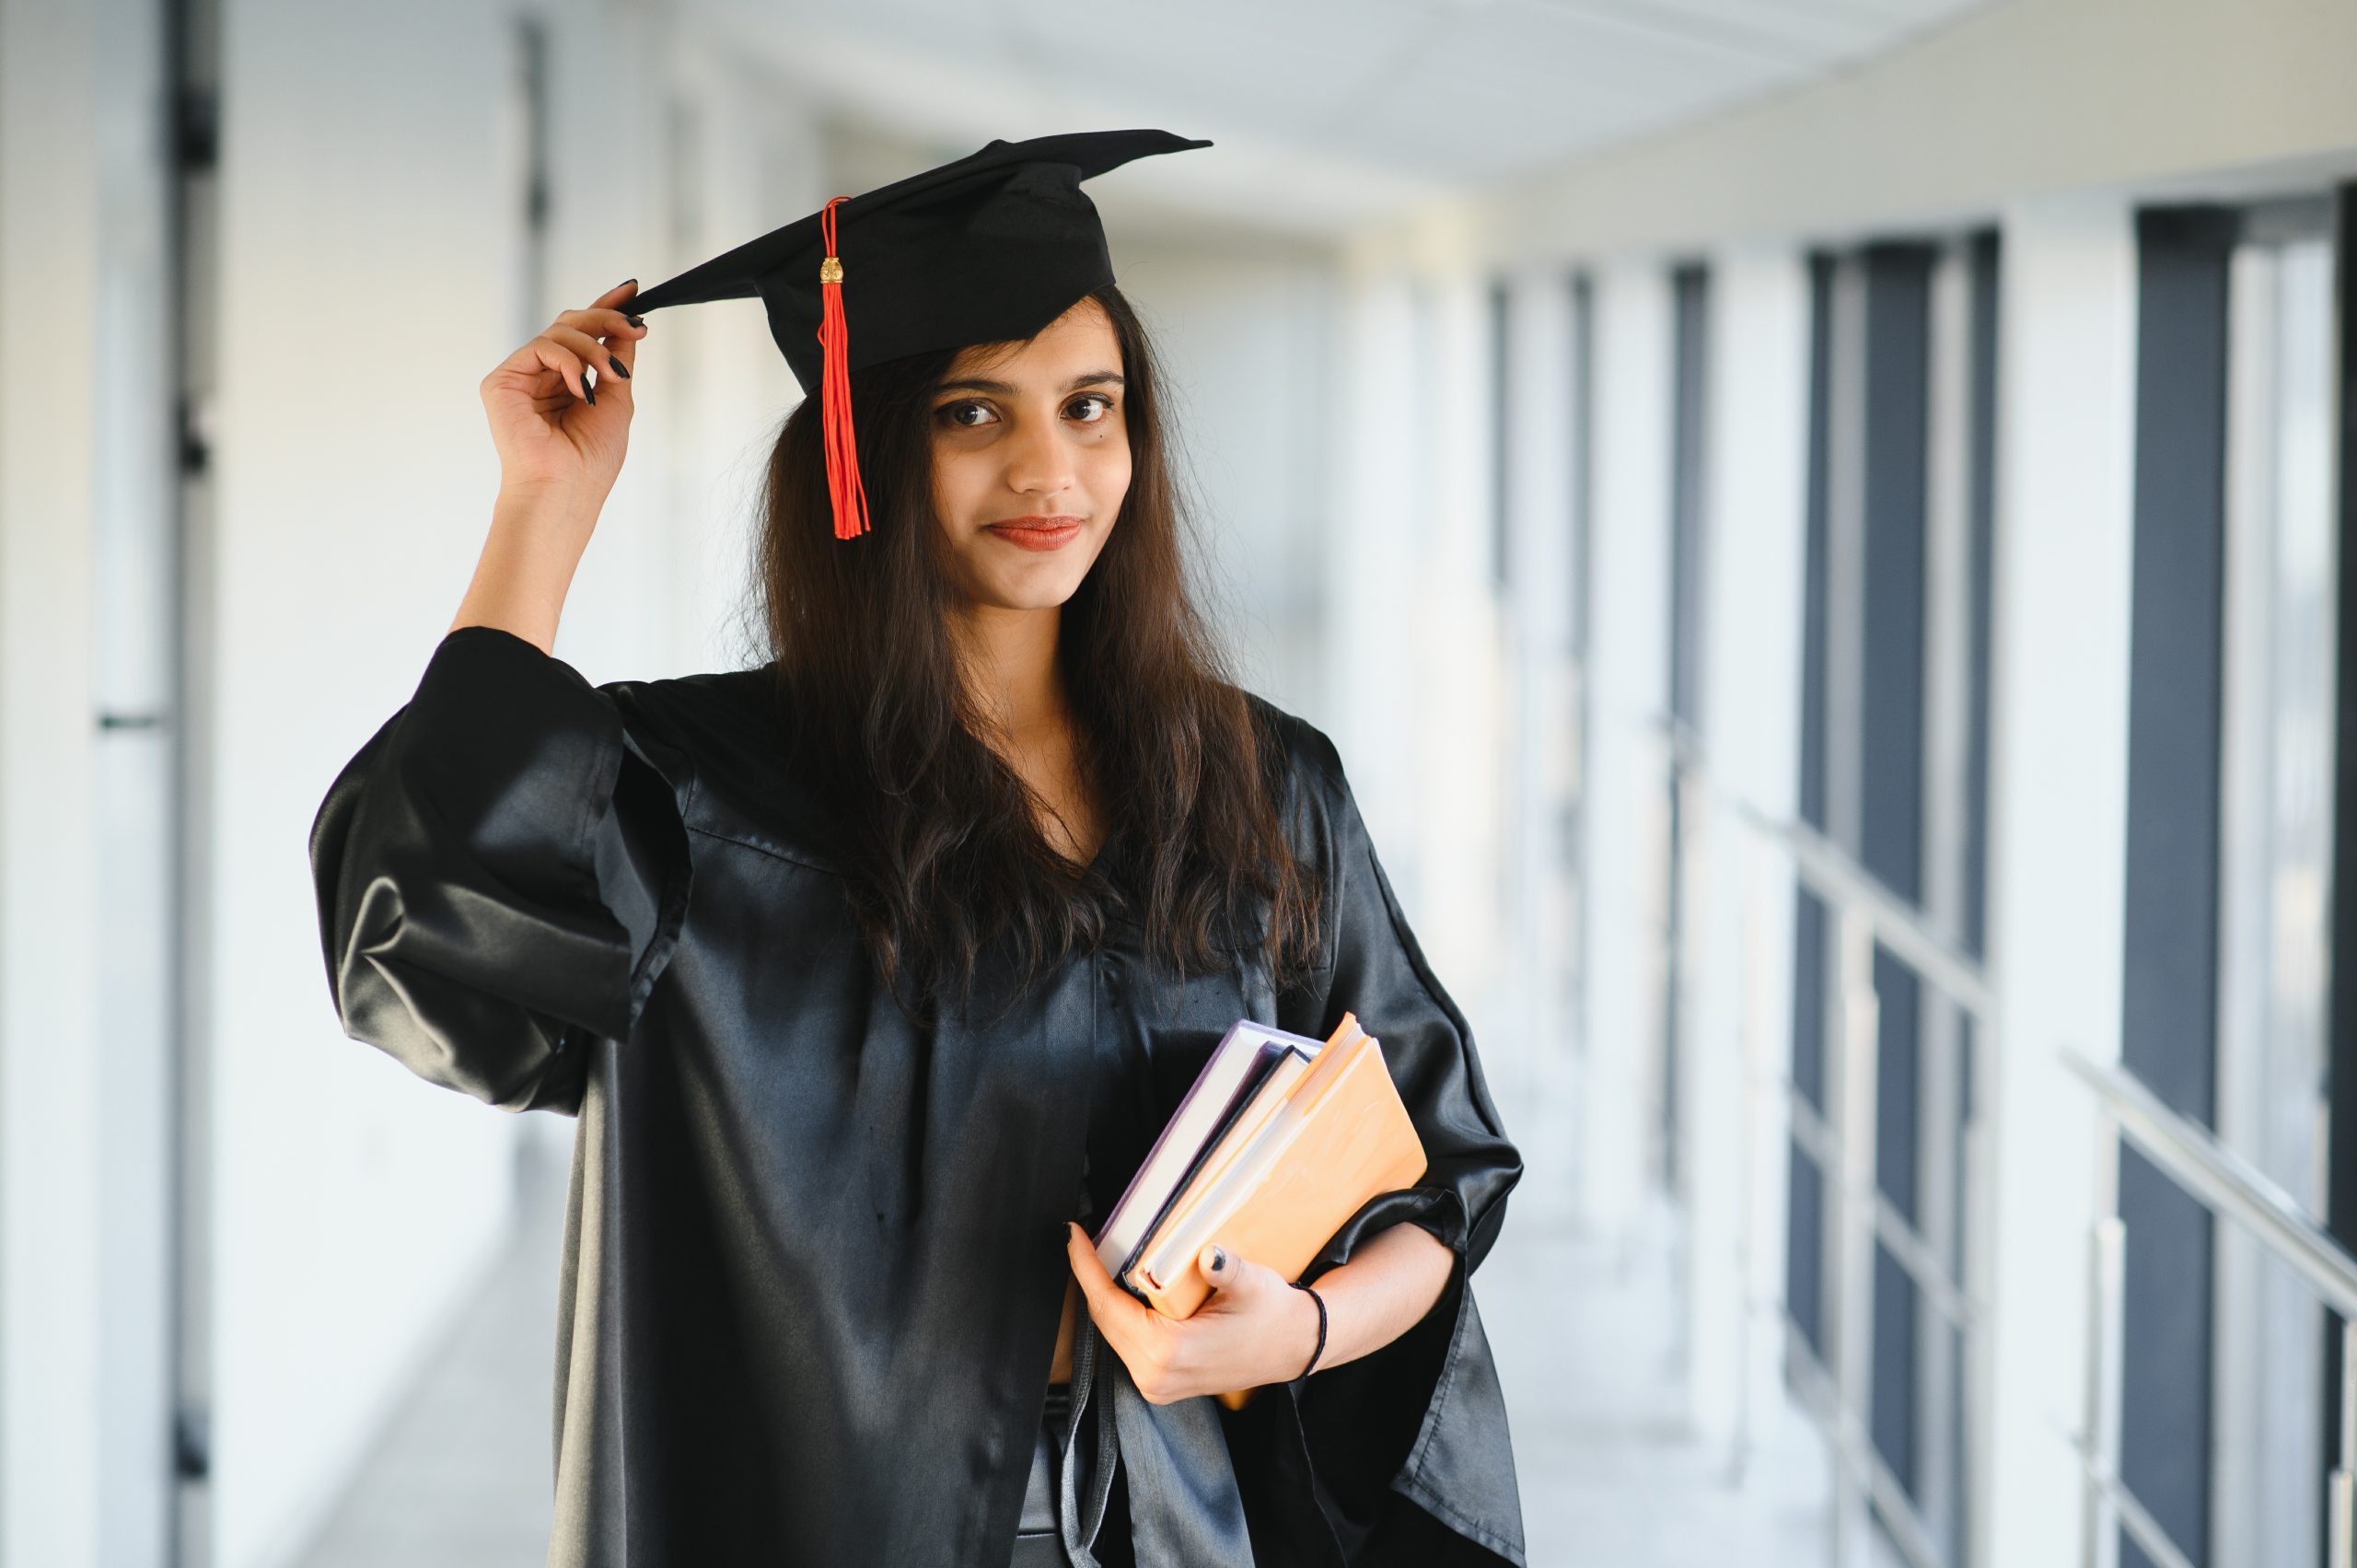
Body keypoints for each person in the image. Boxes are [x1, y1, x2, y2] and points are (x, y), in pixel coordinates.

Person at [308, 130, 1525, 1567]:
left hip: (1176, 1525)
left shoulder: (1259, 788)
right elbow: (412, 919)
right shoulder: (705, 801)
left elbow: (1442, 1180)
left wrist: (1300, 1328)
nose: (1049, 468)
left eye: (1091, 405)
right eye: (970, 414)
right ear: (864, 452)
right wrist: (541, 509)